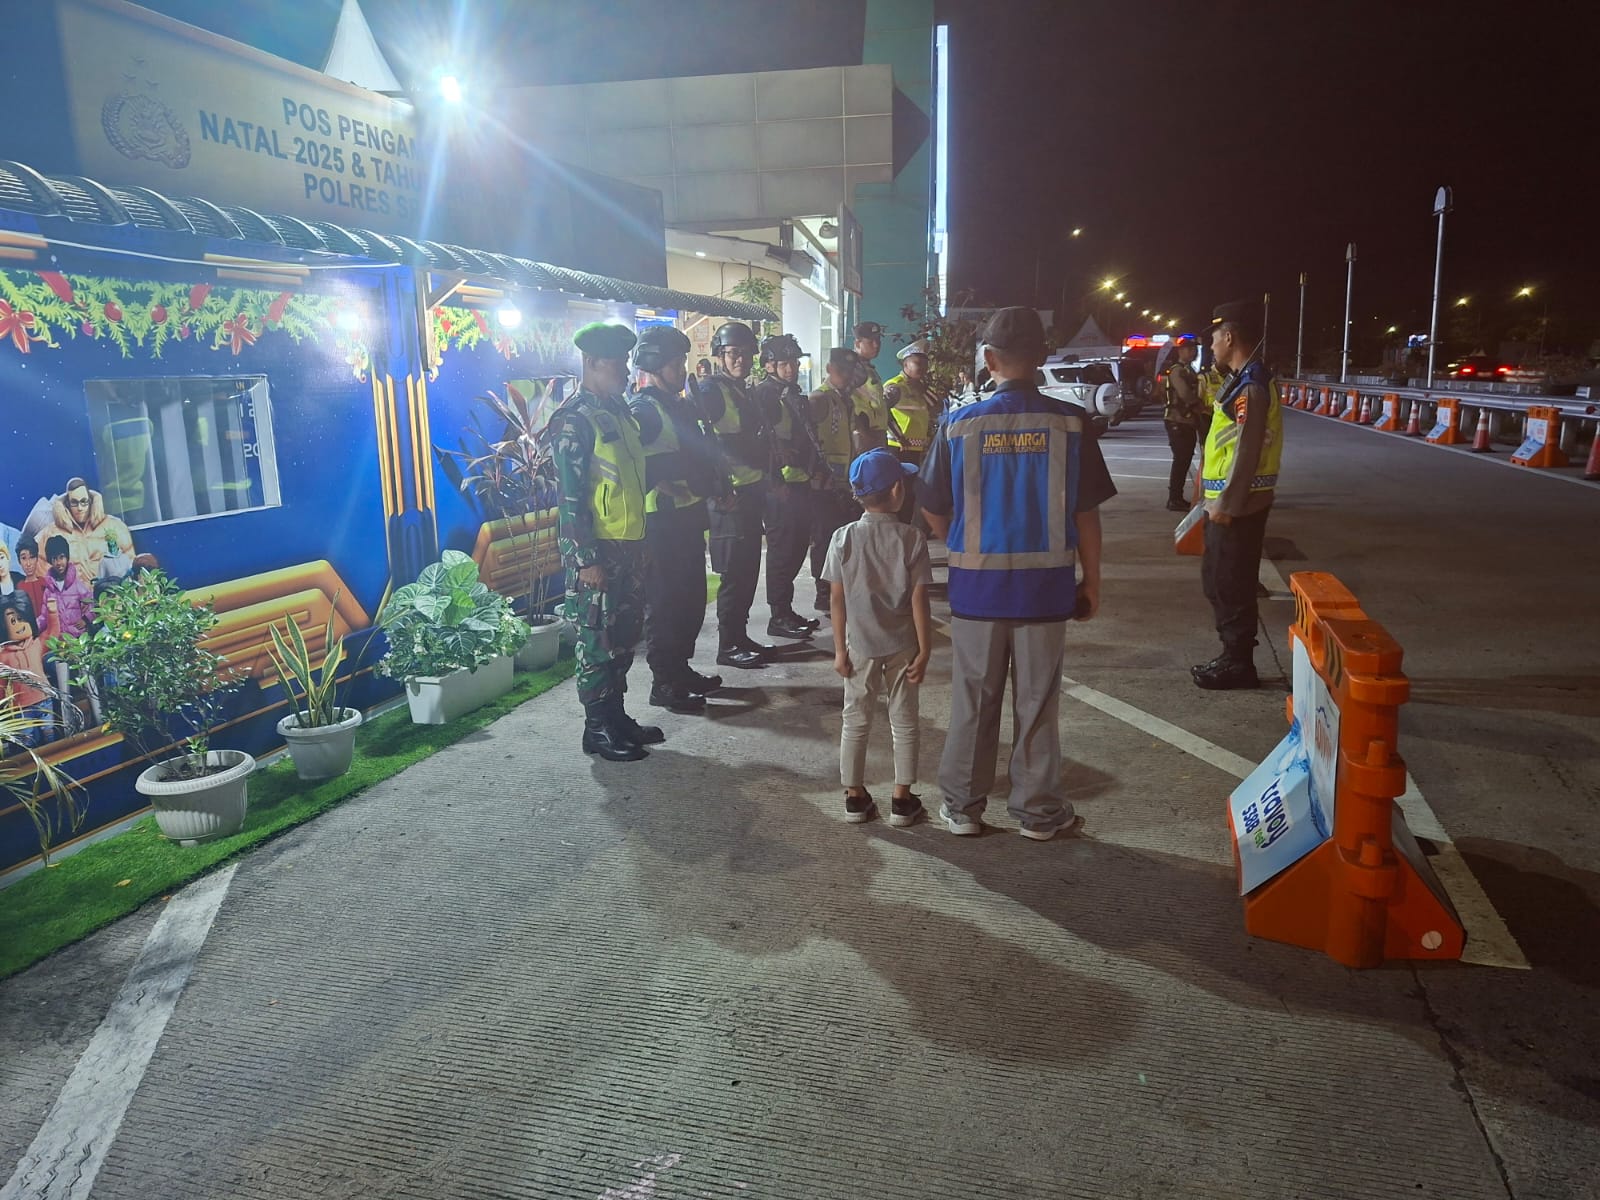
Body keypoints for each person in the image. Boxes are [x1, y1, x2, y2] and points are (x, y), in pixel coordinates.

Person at [918, 307, 1116, 840]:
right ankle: (1039, 812)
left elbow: (932, 504)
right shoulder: (1071, 423)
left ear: (988, 360)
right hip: (1045, 592)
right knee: (1037, 705)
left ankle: (962, 808)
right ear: (1043, 356)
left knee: (972, 703)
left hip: (975, 591)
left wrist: (964, 541)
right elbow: (1086, 514)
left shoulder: (959, 425)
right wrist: (1092, 582)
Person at [550, 321, 660, 762]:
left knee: (624, 637)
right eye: (618, 363)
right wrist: (586, 559)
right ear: (593, 362)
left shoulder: (618, 411)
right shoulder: (573, 420)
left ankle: (616, 717)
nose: (626, 371)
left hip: (628, 546)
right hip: (597, 551)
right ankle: (596, 728)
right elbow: (570, 498)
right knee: (597, 642)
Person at [823, 448, 933, 828]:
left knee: (855, 719)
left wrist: (839, 651)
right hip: (903, 644)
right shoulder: (912, 538)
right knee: (905, 721)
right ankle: (902, 800)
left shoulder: (843, 538)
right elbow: (919, 600)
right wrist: (925, 649)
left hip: (859, 645)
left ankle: (855, 796)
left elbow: (836, 600)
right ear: (898, 489)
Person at [628, 325, 725, 713]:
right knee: (666, 603)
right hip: (662, 522)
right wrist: (660, 480)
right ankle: (664, 682)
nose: (682, 369)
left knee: (691, 599)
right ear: (654, 366)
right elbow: (631, 460)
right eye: (675, 364)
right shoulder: (644, 410)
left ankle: (680, 669)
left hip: (688, 516)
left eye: (682, 361)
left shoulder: (678, 404)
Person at [1194, 299, 1282, 691]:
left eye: (1214, 338)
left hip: (1240, 506)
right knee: (1218, 579)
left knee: (1231, 582)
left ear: (1229, 337)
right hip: (1229, 502)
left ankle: (1239, 662)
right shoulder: (1243, 379)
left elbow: (1247, 447)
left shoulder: (1251, 384)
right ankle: (1231, 655)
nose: (1211, 346)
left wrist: (1227, 504)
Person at [695, 321, 776, 669]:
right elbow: (700, 444)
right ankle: (728, 645)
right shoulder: (711, 391)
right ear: (720, 356)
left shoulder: (743, 390)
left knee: (747, 571)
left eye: (744, 353)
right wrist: (715, 490)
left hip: (751, 490)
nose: (739, 359)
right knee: (733, 574)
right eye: (732, 353)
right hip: (729, 497)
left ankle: (740, 637)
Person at [752, 333, 822, 641]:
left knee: (796, 548)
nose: (791, 368)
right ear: (769, 365)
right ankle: (778, 615)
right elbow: (759, 443)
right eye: (784, 363)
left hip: (800, 481)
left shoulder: (792, 393)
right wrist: (775, 480)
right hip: (780, 487)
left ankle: (786, 610)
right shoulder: (765, 396)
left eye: (793, 362)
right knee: (782, 552)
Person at [807, 347, 866, 616]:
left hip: (844, 483)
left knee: (843, 539)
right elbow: (808, 440)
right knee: (824, 541)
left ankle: (839, 592)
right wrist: (816, 475)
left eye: (849, 371)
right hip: (824, 485)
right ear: (829, 369)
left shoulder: (846, 399)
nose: (846, 376)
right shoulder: (819, 399)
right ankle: (824, 595)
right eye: (841, 370)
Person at [35, 478, 137, 584]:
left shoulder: (115, 526)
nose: (80, 508)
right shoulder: (49, 534)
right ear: (67, 503)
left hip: (111, 592)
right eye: (74, 502)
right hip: (72, 594)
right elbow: (42, 575)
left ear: (90, 501)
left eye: (84, 501)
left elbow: (131, 566)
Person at [883, 340, 938, 523]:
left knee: (910, 496)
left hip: (916, 449)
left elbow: (936, 408)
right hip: (898, 448)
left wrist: (925, 390)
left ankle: (905, 527)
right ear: (905, 364)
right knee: (897, 494)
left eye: (925, 364)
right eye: (917, 363)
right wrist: (899, 437)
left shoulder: (921, 388)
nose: (922, 367)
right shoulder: (895, 387)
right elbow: (882, 414)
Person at [0, 591, 51, 745]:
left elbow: (53, 633)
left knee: (51, 736)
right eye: (12, 621)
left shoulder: (36, 644)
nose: (19, 624)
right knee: (28, 743)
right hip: (21, 708)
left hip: (44, 700)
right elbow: (2, 685)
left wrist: (53, 612)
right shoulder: (4, 656)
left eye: (21, 618)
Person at [1161, 338, 1207, 512]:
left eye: (1194, 349)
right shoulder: (1177, 371)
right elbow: (1185, 394)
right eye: (1189, 349)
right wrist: (1201, 406)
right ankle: (1174, 499)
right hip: (1177, 421)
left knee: (1184, 458)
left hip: (1186, 421)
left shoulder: (1189, 370)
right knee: (1181, 460)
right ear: (1180, 351)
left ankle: (1176, 498)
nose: (1193, 352)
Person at [849, 320, 891, 457]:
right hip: (863, 435)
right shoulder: (852, 369)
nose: (876, 345)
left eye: (878, 340)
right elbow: (846, 401)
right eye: (870, 341)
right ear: (857, 344)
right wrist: (863, 433)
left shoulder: (867, 368)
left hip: (875, 433)